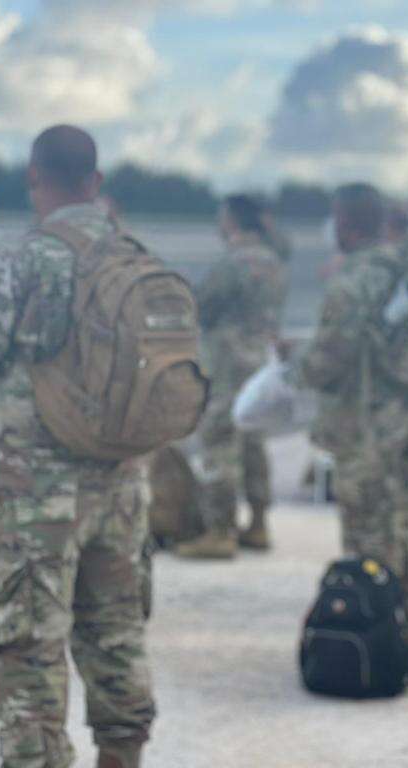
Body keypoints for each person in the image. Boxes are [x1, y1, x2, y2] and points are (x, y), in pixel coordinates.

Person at [0, 125, 155, 768]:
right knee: (116, 635)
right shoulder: (136, 257)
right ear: (98, 181)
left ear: (34, 180)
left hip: (34, 497)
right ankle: (122, 756)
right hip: (121, 485)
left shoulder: (15, 262)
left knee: (28, 649)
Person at [298, 182, 408, 665]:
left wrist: (296, 369)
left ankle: (379, 637)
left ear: (346, 224)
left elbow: (328, 358)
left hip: (367, 429)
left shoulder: (352, 281)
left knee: (368, 535)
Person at [176, 194, 288, 558]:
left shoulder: (232, 262)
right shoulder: (273, 262)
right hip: (259, 360)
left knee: (218, 440)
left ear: (233, 221)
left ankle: (219, 530)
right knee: (254, 440)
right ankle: (258, 522)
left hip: (227, 362)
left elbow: (202, 305)